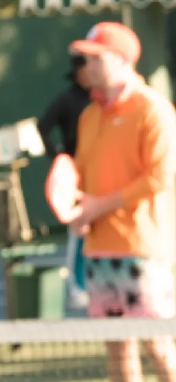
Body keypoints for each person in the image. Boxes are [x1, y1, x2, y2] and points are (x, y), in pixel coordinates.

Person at [66, 21, 176, 382]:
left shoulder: (153, 109)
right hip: (98, 250)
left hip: (142, 250)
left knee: (158, 345)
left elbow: (160, 176)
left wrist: (97, 205)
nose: (86, 66)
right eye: (84, 59)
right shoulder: (90, 116)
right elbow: (83, 177)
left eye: (95, 58)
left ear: (122, 60)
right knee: (117, 350)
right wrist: (79, 210)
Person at [37, 51, 95, 310]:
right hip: (75, 175)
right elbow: (43, 126)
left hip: (98, 173)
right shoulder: (67, 99)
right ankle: (76, 287)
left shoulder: (99, 99)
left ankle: (94, 285)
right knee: (78, 231)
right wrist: (59, 157)